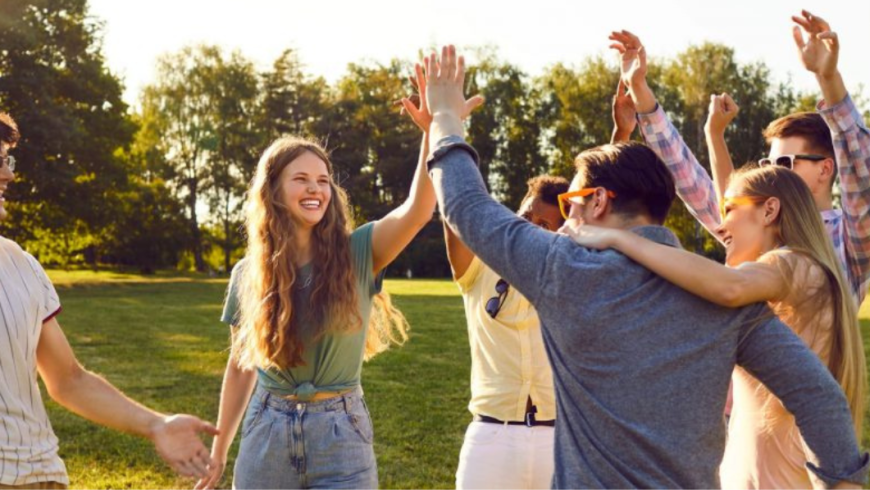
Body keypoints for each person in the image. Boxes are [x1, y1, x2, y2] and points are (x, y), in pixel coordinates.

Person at [423, 44, 868, 488]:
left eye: (571, 201)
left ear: (598, 201)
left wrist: (445, 119)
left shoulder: (562, 269)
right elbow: (819, 396)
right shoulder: (727, 299)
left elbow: (466, 205)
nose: (566, 216)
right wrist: (842, 481)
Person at [195, 73, 482, 488]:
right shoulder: (248, 273)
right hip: (266, 432)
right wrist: (220, 449)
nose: (315, 189)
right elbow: (241, 365)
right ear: (272, 190)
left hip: (341, 433)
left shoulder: (358, 251)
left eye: (323, 180)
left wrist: (432, 130)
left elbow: (418, 210)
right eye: (301, 179)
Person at [563, 164, 866, 488]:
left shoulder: (794, 264)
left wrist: (617, 238)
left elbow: (729, 287)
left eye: (730, 209)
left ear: (769, 211)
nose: (720, 227)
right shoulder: (801, 273)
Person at [0, 113, 217, 489]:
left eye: (7, 160)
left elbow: (68, 379)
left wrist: (157, 424)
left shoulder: (21, 264)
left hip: (42, 476)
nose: (9, 175)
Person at [612, 11, 870, 304]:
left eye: (785, 163)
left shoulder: (849, 238)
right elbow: (692, 183)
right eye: (768, 163)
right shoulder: (760, 223)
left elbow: (861, 170)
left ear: (825, 169)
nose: (772, 173)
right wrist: (641, 92)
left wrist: (828, 78)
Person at [399, 65, 562, 489]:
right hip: (491, 436)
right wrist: (440, 127)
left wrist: (621, 132)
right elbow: (456, 206)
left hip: (559, 438)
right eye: (526, 216)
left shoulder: (571, 273)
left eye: (546, 225)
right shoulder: (479, 267)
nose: (531, 228)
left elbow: (601, 211)